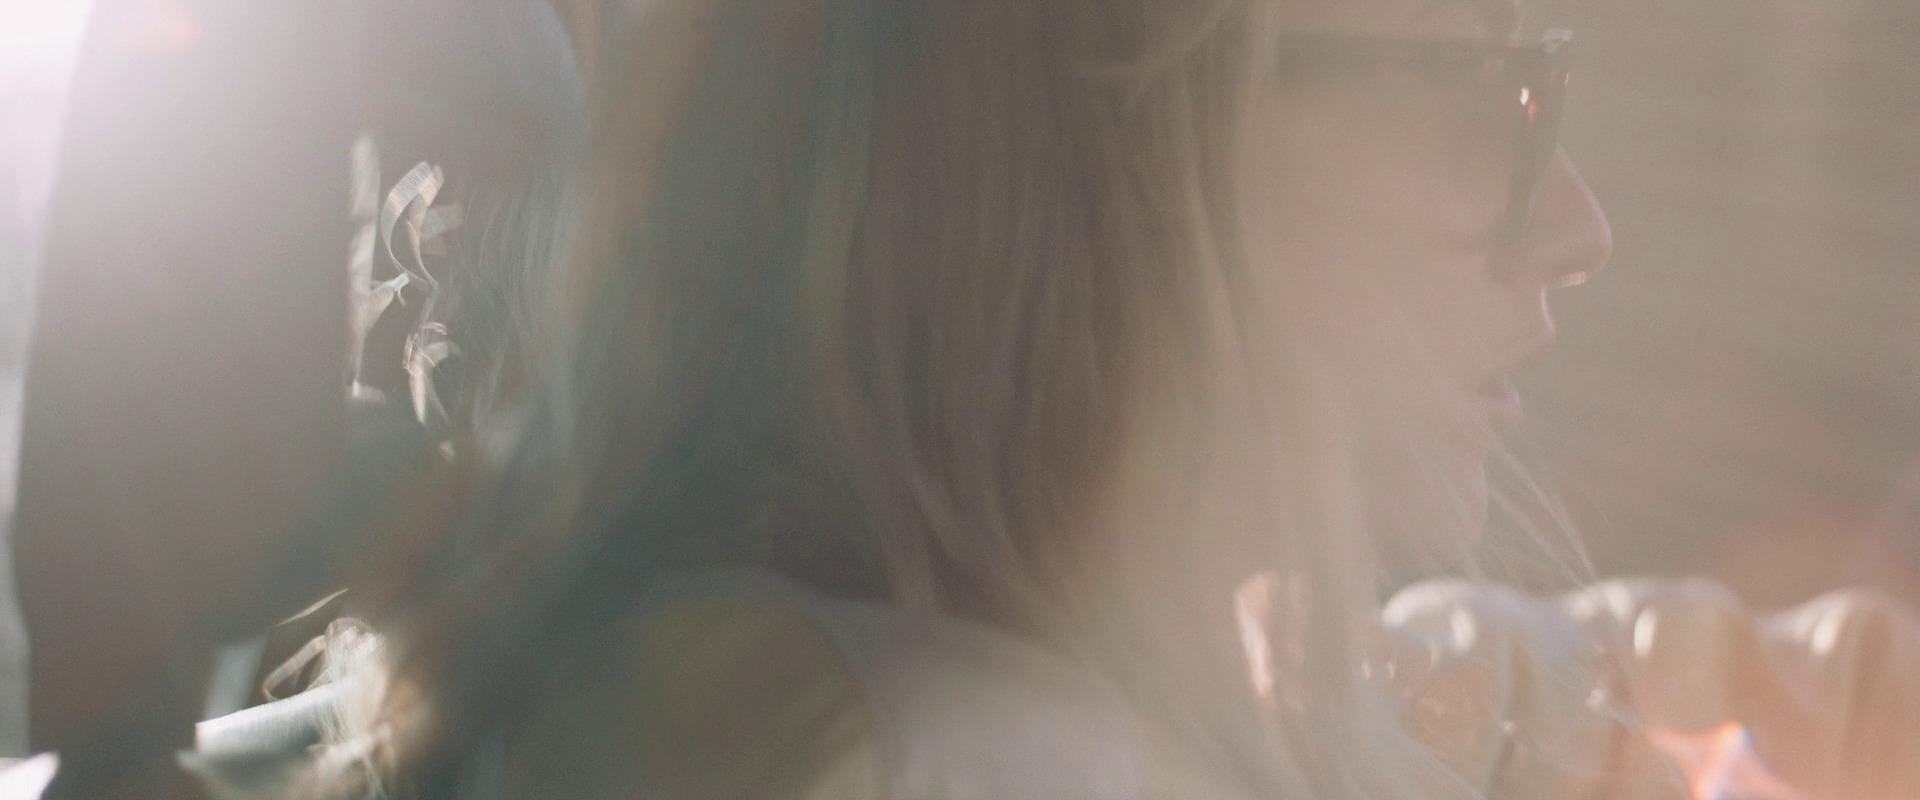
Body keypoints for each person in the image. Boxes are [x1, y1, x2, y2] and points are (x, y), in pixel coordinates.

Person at [18, 0, 1920, 798]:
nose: (1576, 228)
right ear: (1123, 129)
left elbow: (1423, 697)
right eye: (1495, 89)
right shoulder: (944, 752)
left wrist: (1682, 679)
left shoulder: (782, 674)